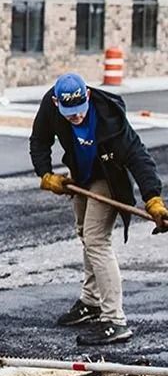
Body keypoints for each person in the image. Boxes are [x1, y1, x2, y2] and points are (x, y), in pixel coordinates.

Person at [30, 71, 168, 345]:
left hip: (109, 178)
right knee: (85, 233)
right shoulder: (50, 104)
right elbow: (39, 139)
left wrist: (153, 198)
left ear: (88, 96)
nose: (77, 118)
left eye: (80, 111)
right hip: (81, 176)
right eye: (70, 114)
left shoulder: (109, 118)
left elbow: (138, 156)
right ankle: (91, 302)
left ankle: (115, 320)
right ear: (57, 103)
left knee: (96, 240)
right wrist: (45, 174)